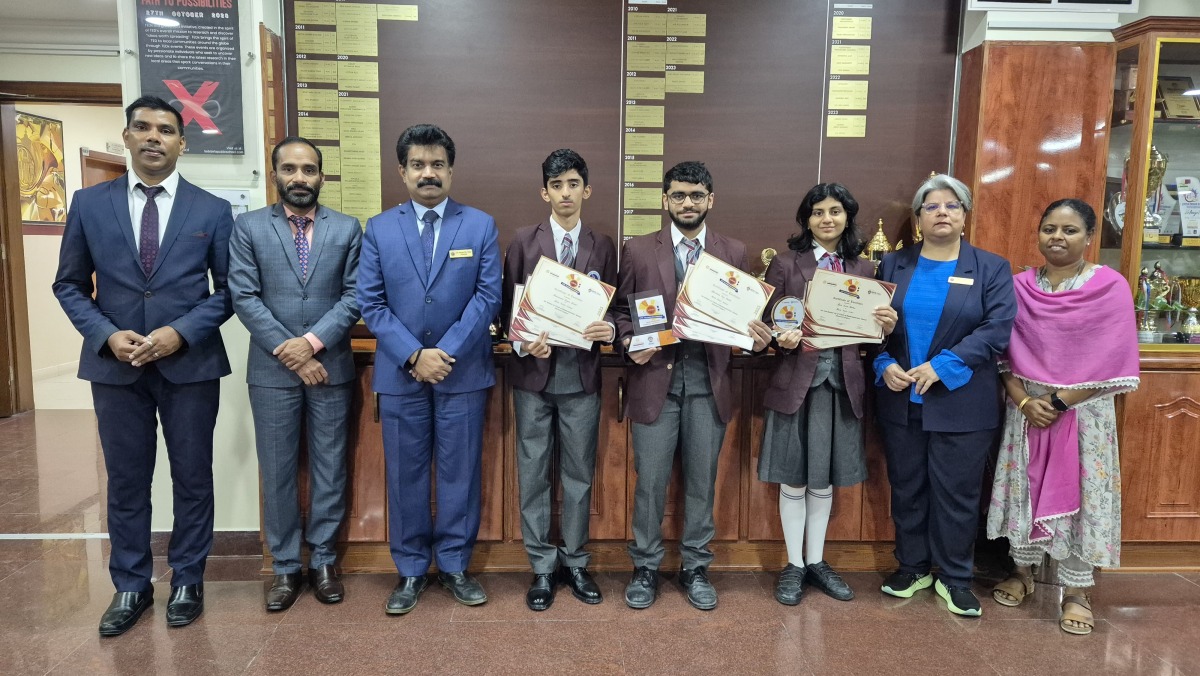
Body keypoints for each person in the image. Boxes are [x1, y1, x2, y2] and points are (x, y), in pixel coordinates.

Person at [53, 95, 234, 635]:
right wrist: (106, 336)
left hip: (190, 366)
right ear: (128, 137)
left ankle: (188, 580)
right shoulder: (89, 204)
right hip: (116, 368)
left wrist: (181, 332)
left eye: (166, 130)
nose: (154, 137)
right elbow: (69, 284)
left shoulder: (211, 210)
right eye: (144, 128)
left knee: (193, 477)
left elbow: (228, 291)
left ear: (183, 142)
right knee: (127, 480)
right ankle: (131, 585)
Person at [614, 161, 772, 611]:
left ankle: (695, 567)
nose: (688, 203)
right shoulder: (639, 249)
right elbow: (622, 312)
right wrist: (628, 342)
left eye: (696, 195)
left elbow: (747, 317)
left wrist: (757, 337)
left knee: (702, 482)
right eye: (679, 195)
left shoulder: (733, 251)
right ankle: (645, 567)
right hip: (654, 382)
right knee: (650, 482)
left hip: (709, 382)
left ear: (710, 199)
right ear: (665, 199)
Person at [357, 124, 501, 615]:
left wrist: (444, 352)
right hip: (401, 375)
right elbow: (371, 303)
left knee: (461, 472)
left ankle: (456, 565)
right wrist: (415, 355)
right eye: (418, 164)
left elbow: (488, 297)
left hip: (462, 373)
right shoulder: (379, 229)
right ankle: (412, 569)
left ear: (451, 170)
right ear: (402, 171)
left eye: (437, 164)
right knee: (406, 475)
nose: (428, 173)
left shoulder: (479, 225)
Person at [986, 199, 1139, 635]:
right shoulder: (1018, 287)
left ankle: (1076, 590)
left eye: (1069, 230)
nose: (1057, 237)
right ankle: (1022, 570)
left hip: (1082, 412)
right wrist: (1023, 401)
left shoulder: (1109, 286)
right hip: (1026, 410)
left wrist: (1058, 401)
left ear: (1089, 237)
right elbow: (1001, 353)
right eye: (1049, 228)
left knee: (1083, 497)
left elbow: (1114, 358)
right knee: (1024, 488)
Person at [872, 174, 1017, 617]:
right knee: (907, 489)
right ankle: (913, 567)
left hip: (962, 403)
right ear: (917, 217)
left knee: (958, 495)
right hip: (901, 401)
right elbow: (871, 328)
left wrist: (942, 366)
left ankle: (955, 577)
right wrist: (883, 364)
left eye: (952, 206)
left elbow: (996, 331)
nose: (942, 213)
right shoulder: (892, 265)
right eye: (932, 206)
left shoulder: (991, 268)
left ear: (965, 215)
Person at [228, 136, 363, 611]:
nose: (299, 178)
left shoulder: (347, 228)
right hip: (272, 371)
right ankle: (285, 566)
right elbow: (243, 296)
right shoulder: (248, 227)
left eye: (308, 169)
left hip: (331, 367)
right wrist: (294, 353)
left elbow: (355, 295)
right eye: (289, 169)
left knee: (330, 468)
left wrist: (312, 344)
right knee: (278, 471)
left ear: (321, 176)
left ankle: (323, 561)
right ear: (275, 175)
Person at [758, 183, 897, 605]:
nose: (827, 219)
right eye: (818, 212)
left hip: (842, 385)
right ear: (806, 219)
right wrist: (779, 337)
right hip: (795, 383)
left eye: (835, 211)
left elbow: (873, 338)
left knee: (824, 478)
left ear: (847, 217)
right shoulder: (785, 264)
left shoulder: (865, 269)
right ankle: (794, 564)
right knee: (793, 476)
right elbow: (766, 322)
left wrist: (886, 328)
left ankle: (816, 561)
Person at [502, 149, 617, 611]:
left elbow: (616, 307)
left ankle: (575, 562)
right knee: (533, 474)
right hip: (532, 375)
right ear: (544, 192)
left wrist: (610, 330)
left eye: (573, 184)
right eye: (556, 185)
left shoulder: (603, 244)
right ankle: (542, 567)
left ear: (586, 190)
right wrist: (522, 342)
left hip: (581, 376)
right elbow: (507, 311)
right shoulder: (522, 241)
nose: (565, 193)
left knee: (578, 475)